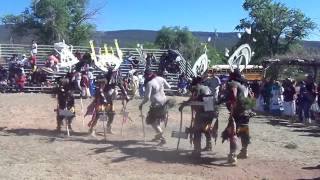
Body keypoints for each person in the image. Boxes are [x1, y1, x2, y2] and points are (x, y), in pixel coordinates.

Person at [179, 76, 217, 157]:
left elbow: (193, 99)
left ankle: (197, 150)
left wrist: (184, 104)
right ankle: (209, 145)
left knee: (197, 130)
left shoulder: (196, 88)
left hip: (202, 112)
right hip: (211, 111)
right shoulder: (207, 88)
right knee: (206, 127)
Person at [222, 69, 254, 164]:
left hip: (236, 113)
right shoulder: (245, 85)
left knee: (233, 133)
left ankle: (232, 155)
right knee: (244, 131)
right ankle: (244, 152)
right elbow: (251, 98)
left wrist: (230, 102)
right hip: (246, 112)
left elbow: (234, 95)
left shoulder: (233, 84)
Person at [139, 70, 171, 144]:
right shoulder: (161, 79)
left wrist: (141, 104)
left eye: (145, 76)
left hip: (156, 105)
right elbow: (169, 87)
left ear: (147, 76)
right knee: (158, 120)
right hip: (164, 103)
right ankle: (159, 137)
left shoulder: (150, 83)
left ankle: (162, 136)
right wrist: (161, 89)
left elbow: (147, 98)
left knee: (152, 122)